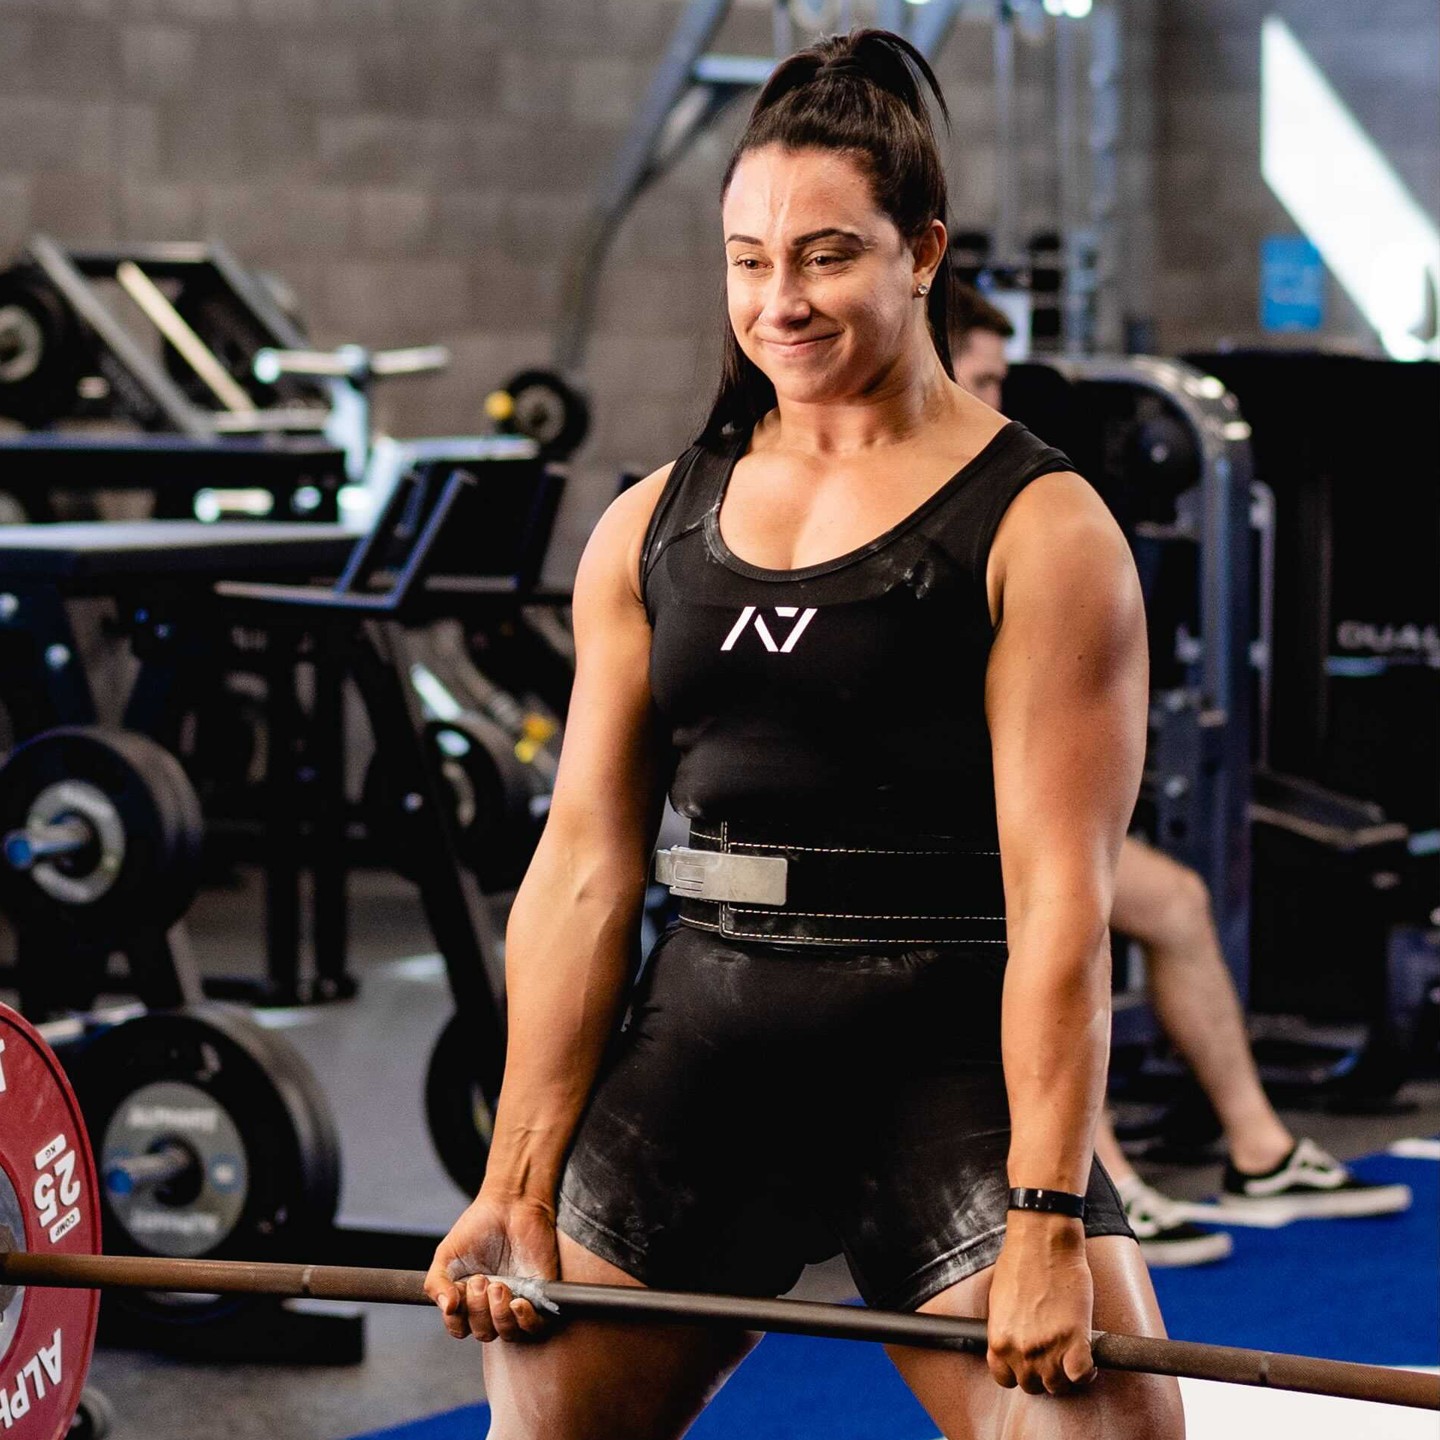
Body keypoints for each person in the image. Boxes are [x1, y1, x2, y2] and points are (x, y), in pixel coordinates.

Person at [426, 30, 1184, 1439]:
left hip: (945, 1052)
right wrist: (512, 1185)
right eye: (749, 259)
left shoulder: (1043, 528)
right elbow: (585, 869)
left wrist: (1043, 1215)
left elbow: (1062, 902)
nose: (783, 298)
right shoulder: (651, 527)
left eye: (828, 255)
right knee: (541, 1425)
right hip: (705, 1050)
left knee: (1111, 1433)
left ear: (922, 253)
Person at [950, 283, 1412, 1268]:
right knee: (1061, 923)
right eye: (981, 376)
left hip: (1025, 810)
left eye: (1000, 378)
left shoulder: (1013, 494)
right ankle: (1088, 1182)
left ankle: (1260, 1148)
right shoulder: (927, 507)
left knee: (1178, 901)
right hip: (954, 836)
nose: (995, 398)